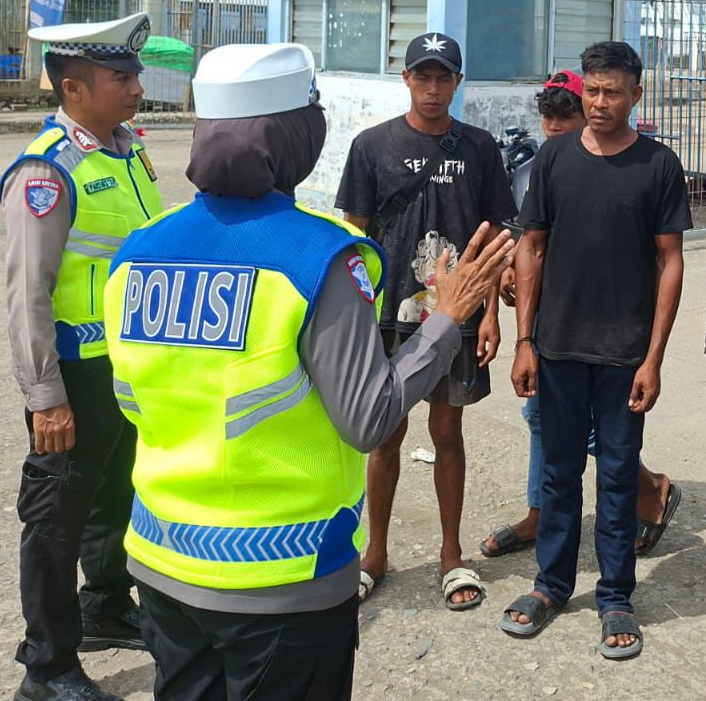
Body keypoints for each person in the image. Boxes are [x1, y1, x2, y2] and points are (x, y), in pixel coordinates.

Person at [103, 42, 514, 701]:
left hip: (160, 557)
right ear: (298, 137)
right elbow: (370, 420)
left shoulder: (139, 250)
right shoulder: (321, 257)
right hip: (281, 575)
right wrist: (447, 319)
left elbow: (133, 396)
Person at [502, 41, 691, 660]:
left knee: (615, 476)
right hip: (557, 347)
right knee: (558, 474)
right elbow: (531, 248)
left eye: (613, 92)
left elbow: (670, 262)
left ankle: (615, 597)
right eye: (593, 90)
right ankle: (551, 586)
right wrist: (525, 341)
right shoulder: (554, 159)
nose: (600, 102)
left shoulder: (658, 165)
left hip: (624, 355)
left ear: (636, 94)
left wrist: (653, 358)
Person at [0, 13, 164, 701]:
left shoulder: (126, 152)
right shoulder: (48, 170)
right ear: (73, 87)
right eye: (121, 77)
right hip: (75, 370)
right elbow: (27, 293)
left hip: (125, 367)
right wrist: (46, 396)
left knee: (115, 494)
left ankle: (104, 605)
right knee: (55, 518)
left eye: (135, 75)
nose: (137, 88)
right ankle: (47, 665)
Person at [335, 32, 516, 611]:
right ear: (406, 79)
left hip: (457, 314)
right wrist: (352, 318)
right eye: (423, 76)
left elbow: (496, 239)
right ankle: (375, 553)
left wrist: (490, 315)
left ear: (458, 82)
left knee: (447, 431)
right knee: (384, 433)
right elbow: (354, 238)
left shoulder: (480, 148)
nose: (433, 88)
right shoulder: (371, 146)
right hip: (388, 317)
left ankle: (451, 554)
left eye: (444, 77)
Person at [480, 71, 681, 561]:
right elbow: (526, 239)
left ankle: (646, 490)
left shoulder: (646, 166)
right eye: (547, 116)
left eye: (563, 115)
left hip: (609, 327)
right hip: (552, 320)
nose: (553, 125)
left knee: (597, 439)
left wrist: (653, 356)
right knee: (544, 422)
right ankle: (543, 520)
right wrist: (506, 283)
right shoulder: (541, 165)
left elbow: (663, 256)